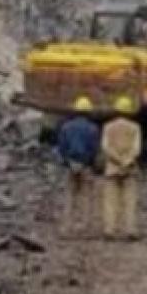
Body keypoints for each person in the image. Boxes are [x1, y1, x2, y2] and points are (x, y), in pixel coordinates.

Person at [56, 98, 101, 237]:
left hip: (70, 164)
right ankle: (84, 228)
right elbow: (94, 149)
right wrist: (91, 163)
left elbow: (61, 147)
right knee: (86, 197)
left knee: (69, 197)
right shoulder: (93, 128)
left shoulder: (66, 127)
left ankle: (66, 228)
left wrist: (66, 162)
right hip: (86, 165)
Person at [100, 96, 143, 241]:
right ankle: (130, 230)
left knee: (111, 201)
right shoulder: (135, 127)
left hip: (112, 168)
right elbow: (136, 149)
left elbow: (105, 147)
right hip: (129, 168)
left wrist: (117, 160)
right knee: (130, 201)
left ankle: (109, 230)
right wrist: (126, 161)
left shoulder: (108, 126)